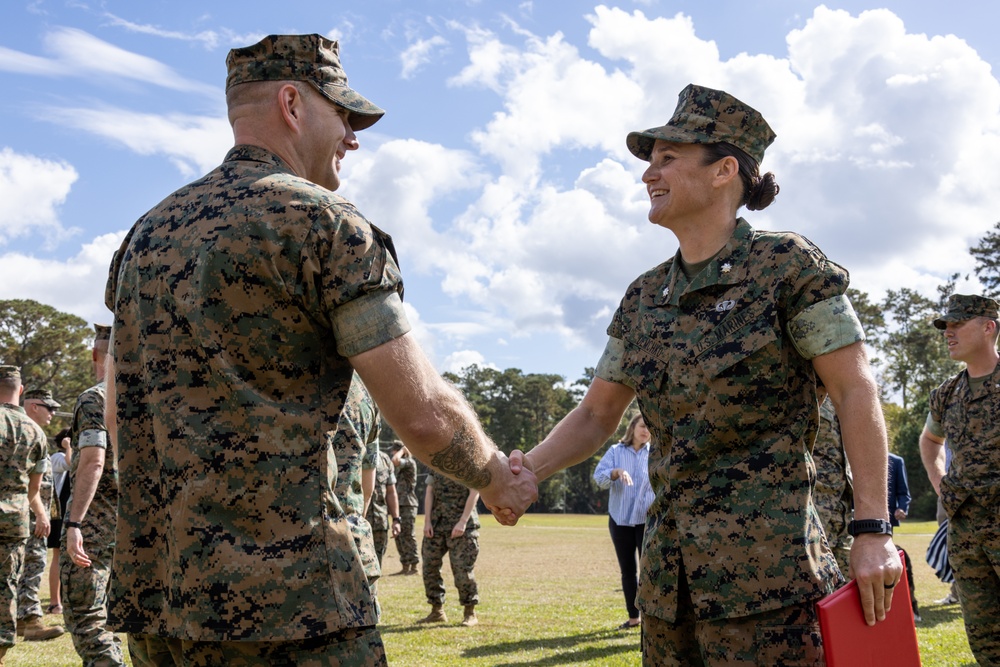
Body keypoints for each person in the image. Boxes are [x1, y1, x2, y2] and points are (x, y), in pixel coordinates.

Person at [103, 33, 536, 665]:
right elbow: (421, 415)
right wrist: (498, 476)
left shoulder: (144, 236)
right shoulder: (326, 226)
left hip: (160, 604)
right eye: (345, 116)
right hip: (293, 605)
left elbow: (118, 418)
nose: (354, 138)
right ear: (292, 103)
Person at [509, 83, 902, 665]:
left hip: (771, 585)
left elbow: (854, 389)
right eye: (650, 162)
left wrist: (873, 529)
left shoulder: (788, 268)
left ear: (724, 170)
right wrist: (524, 472)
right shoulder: (644, 296)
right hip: (669, 590)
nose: (649, 174)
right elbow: (596, 413)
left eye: (668, 159)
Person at [919, 293, 1000, 664]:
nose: (948, 332)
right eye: (945, 326)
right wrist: (941, 485)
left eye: (957, 324)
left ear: (988, 327)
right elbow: (929, 440)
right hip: (965, 532)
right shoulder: (946, 394)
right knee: (985, 641)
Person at [62, 323, 124, 666]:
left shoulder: (95, 397)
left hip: (95, 527)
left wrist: (74, 523)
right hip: (136, 527)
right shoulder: (151, 396)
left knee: (89, 620)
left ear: (94, 355)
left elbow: (93, 460)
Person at [0, 366, 51, 665]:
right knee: (5, 591)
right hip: (13, 524)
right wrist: (42, 516)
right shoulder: (36, 432)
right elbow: (34, 490)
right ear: (20, 391)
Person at [593, 413, 654, 630]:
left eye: (650, 427)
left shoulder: (656, 452)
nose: (646, 431)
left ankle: (652, 620)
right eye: (643, 426)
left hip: (647, 520)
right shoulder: (615, 452)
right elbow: (598, 478)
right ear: (633, 427)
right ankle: (633, 618)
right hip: (619, 520)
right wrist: (616, 472)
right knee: (628, 571)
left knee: (650, 571)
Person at [16, 389, 65, 641]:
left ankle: (22, 621)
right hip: (30, 514)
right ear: (33, 406)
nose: (53, 413)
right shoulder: (25, 435)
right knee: (33, 565)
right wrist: (41, 513)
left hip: (33, 513)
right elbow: (26, 484)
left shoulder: (30, 434)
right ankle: (32, 621)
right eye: (49, 407)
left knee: (26, 567)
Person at [417, 472, 481, 627]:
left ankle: (469, 612)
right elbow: (429, 491)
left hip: (462, 526)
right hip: (437, 523)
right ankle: (437, 611)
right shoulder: (435, 461)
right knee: (429, 567)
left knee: (462, 569)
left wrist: (463, 521)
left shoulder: (468, 464)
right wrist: (427, 522)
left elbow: (475, 492)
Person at [812, 393, 853, 578]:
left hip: (844, 516)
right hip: (809, 518)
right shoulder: (797, 385)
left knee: (848, 597)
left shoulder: (844, 393)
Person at [887, 452, 920, 621]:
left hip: (885, 522)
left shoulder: (896, 461)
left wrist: (902, 508)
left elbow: (903, 492)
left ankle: (894, 605)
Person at [47, 428, 73, 615]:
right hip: (59, 513)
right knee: (58, 556)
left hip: (73, 513)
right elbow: (69, 463)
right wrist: (68, 445)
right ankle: (55, 603)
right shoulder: (56, 457)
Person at [365, 448, 400, 570]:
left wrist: (396, 519)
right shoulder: (352, 454)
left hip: (380, 523)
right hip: (357, 523)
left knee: (376, 567)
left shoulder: (385, 460)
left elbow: (391, 492)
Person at [390, 440, 421, 575]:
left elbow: (395, 460)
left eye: (394, 450)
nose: (392, 452)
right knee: (399, 536)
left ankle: (414, 566)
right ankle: (405, 565)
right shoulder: (400, 468)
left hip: (408, 503)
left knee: (408, 534)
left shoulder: (409, 462)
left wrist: (403, 449)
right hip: (399, 504)